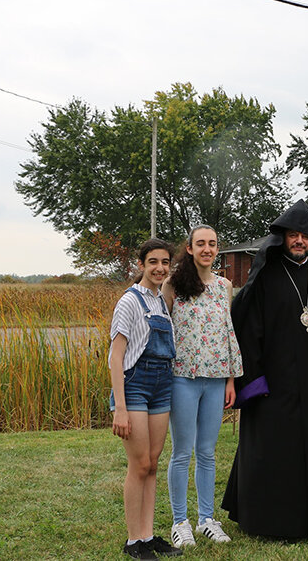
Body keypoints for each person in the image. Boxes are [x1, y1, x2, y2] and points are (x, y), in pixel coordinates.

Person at [221, 200, 308, 539]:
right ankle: (268, 522)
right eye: (293, 235)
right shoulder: (265, 278)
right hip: (272, 384)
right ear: (283, 238)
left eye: (305, 236)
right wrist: (254, 380)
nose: (299, 241)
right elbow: (247, 329)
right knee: (273, 452)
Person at [161, 225, 243, 548]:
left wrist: (231, 379)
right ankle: (179, 521)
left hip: (216, 378)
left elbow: (228, 332)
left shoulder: (224, 286)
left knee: (207, 452)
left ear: (217, 249)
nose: (207, 249)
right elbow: (161, 329)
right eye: (201, 244)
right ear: (190, 248)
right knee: (182, 452)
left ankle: (206, 518)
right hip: (182, 377)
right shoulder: (174, 284)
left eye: (212, 243)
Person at [108, 238, 183, 560]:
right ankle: (133, 540)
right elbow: (116, 355)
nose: (159, 268)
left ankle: (149, 535)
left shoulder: (161, 302)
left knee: (152, 464)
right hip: (135, 386)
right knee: (138, 465)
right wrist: (120, 408)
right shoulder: (129, 301)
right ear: (141, 265)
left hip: (162, 387)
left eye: (165, 262)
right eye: (153, 262)